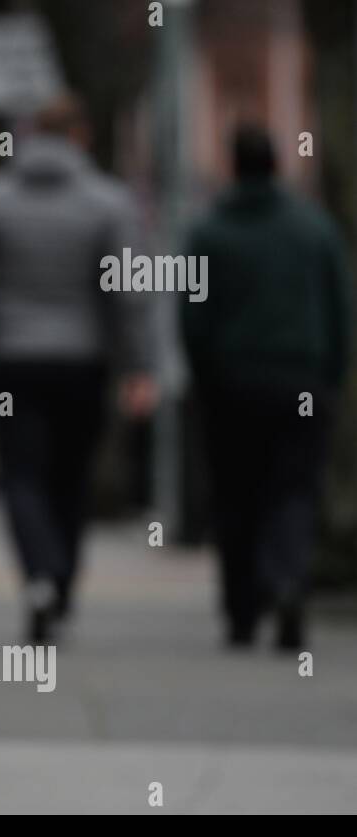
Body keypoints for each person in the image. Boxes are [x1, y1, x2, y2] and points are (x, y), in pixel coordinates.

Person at [0, 95, 156, 642]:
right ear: (79, 136)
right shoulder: (109, 203)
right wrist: (139, 367)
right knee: (71, 478)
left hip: (13, 360)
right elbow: (130, 293)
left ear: (30, 134)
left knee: (21, 476)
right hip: (84, 362)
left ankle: (36, 576)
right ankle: (62, 579)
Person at [182, 124, 352, 650]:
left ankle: (241, 611)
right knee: (293, 490)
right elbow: (340, 311)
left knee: (236, 495)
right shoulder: (315, 229)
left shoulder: (208, 232)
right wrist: (330, 376)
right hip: (300, 380)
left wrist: (203, 376)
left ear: (233, 165)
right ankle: (288, 580)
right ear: (278, 164)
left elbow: (192, 316)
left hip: (231, 383)